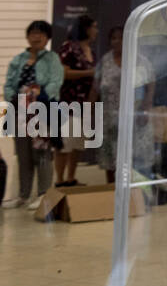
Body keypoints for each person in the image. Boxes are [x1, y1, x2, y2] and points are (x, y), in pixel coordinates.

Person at [3, 21, 61, 209]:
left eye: (41, 33)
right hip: (19, 111)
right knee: (23, 154)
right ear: (28, 36)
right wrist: (14, 98)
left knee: (42, 153)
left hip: (41, 110)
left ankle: (44, 194)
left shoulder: (52, 58)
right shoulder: (19, 59)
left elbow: (55, 82)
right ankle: (23, 195)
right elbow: (9, 84)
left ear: (47, 37)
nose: (36, 37)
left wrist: (39, 98)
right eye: (33, 33)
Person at [89, 26, 156, 184]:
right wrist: (89, 114)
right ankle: (112, 192)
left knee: (136, 157)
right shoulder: (105, 61)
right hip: (109, 118)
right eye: (114, 38)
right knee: (111, 159)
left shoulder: (141, 61)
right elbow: (95, 88)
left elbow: (151, 86)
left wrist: (145, 109)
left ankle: (136, 195)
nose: (118, 41)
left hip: (135, 117)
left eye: (122, 37)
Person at [55, 15, 97, 187]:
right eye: (94, 26)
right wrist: (88, 73)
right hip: (68, 102)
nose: (96, 30)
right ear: (85, 28)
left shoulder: (91, 51)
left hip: (85, 103)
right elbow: (62, 73)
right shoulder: (69, 47)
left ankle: (71, 177)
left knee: (78, 143)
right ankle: (60, 180)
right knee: (65, 143)